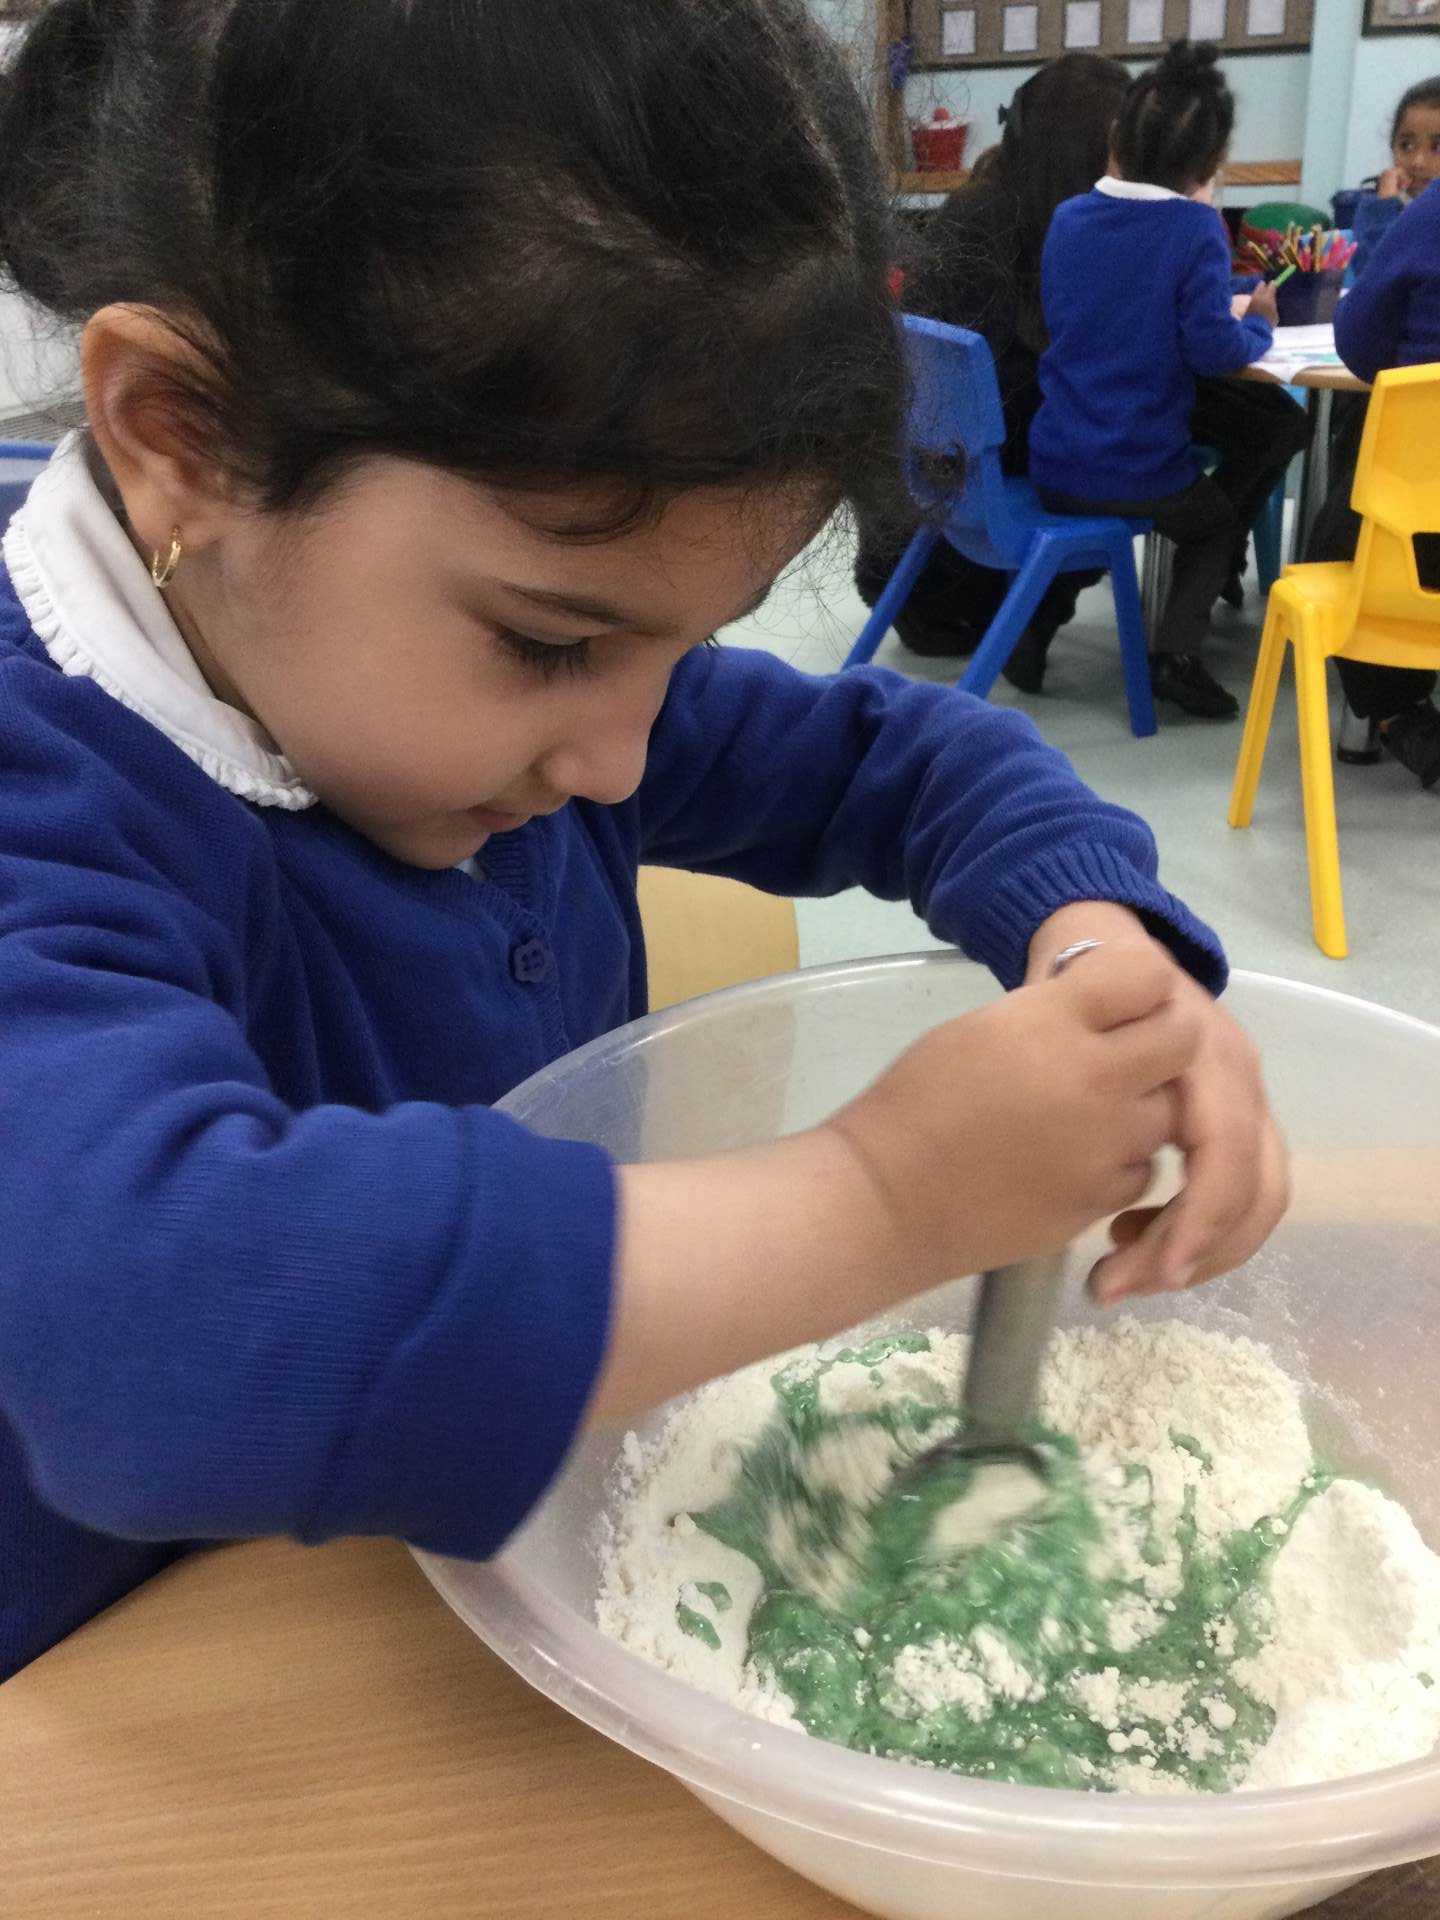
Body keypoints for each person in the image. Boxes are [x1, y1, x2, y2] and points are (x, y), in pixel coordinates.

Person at [0, 0, 1286, 1684]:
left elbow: (914, 759)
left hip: (459, 1575)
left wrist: (1100, 940)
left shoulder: (526, 710)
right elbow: (151, 1338)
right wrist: (880, 1195)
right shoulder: (45, 803)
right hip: (126, 1692)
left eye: (685, 650)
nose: (623, 757)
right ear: (183, 437)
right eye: (550, 642)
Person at [1030, 41, 1292, 721]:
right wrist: (1259, 327)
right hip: (1137, 466)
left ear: (1117, 139)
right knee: (1212, 526)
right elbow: (1212, 351)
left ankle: (1033, 631)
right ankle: (1175, 656)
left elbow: (1107, 301)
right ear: (1211, 163)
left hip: (1054, 459)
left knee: (1093, 515)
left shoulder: (1069, 217)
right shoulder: (1196, 229)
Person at [853, 53, 1130, 677]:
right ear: (1080, 150)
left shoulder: (1005, 202)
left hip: (929, 542)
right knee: (1128, 442)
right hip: (950, 571)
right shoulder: (994, 221)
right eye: (1123, 145)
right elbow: (991, 391)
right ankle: (1058, 617)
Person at [1308, 181, 1440, 788]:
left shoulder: (1430, 215)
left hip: (1414, 548)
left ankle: (1396, 710)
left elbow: (1359, 344)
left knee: (1341, 540)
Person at [1338, 76, 1440, 279]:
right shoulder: (1376, 208)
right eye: (1407, 145)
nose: (1418, 162)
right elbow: (1373, 278)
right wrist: (1384, 207)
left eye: (1437, 147)